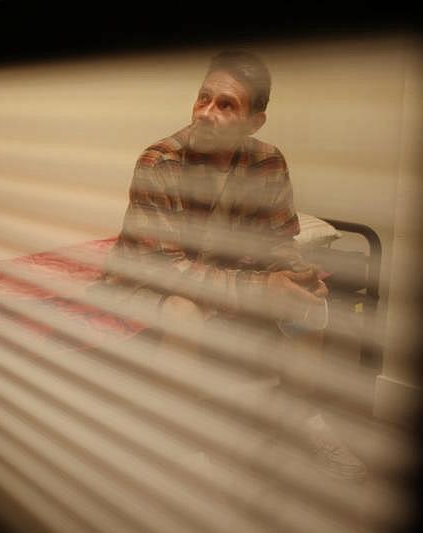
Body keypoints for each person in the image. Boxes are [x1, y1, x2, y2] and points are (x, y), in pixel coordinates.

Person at [99, 50, 368, 483]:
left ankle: (303, 417)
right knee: (181, 309)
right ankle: (178, 441)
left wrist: (296, 274)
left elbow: (278, 240)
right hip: (147, 281)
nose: (206, 112)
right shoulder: (161, 162)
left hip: (222, 276)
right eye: (203, 98)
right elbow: (167, 268)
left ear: (254, 122)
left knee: (307, 297)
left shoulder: (268, 162)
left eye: (226, 105)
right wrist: (261, 287)